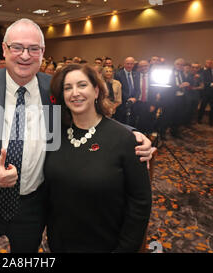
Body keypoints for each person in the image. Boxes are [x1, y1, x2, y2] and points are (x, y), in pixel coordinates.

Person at [0, 18, 154, 253]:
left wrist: (133, 133)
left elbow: (87, 114)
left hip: (31, 207)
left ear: (42, 53)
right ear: (4, 49)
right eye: (17, 47)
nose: (25, 55)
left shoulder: (55, 88)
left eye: (33, 49)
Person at [45, 63, 152, 253]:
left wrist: (125, 249)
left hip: (106, 244)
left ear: (96, 91)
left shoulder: (124, 139)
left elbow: (140, 201)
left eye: (82, 85)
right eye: (67, 88)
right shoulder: (55, 135)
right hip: (61, 242)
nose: (75, 93)